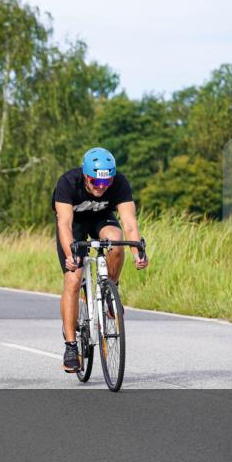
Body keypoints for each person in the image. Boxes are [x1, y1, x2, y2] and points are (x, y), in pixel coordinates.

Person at [53, 147, 149, 372]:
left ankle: (109, 293)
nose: (101, 187)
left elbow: (129, 223)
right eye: (96, 181)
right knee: (73, 279)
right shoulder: (68, 182)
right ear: (86, 175)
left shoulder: (120, 183)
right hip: (74, 226)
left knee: (116, 240)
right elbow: (64, 224)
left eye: (106, 182)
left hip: (102, 220)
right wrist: (71, 256)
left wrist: (137, 252)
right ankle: (70, 347)